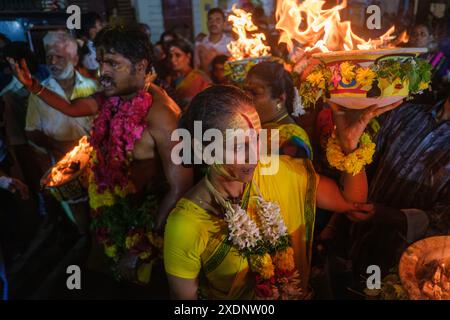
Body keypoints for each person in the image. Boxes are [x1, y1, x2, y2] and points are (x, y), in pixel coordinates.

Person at [164, 85, 401, 300]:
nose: (254, 155)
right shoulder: (185, 224)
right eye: (238, 146)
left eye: (256, 139)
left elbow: (353, 203)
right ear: (202, 148)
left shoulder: (278, 172)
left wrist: (350, 144)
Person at [8, 24, 193, 285]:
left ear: (140, 66)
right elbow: (71, 108)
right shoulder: (114, 97)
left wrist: (140, 246)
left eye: (113, 64)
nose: (102, 73)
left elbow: (180, 187)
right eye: (101, 62)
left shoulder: (162, 114)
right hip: (112, 219)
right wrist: (32, 86)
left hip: (146, 235)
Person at [346, 88, 450, 278]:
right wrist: (334, 225)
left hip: (397, 266)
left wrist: (383, 214)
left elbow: (441, 222)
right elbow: (361, 165)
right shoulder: (405, 113)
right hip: (351, 234)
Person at [25, 31, 99, 163]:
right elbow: (31, 131)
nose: (53, 62)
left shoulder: (94, 87)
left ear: (75, 60)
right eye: (49, 57)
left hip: (95, 159)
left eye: (59, 57)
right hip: (60, 162)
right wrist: (58, 145)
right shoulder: (38, 92)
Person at [245, 61, 312, 159]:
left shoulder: (290, 138)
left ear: (280, 99)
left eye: (255, 93)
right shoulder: (258, 128)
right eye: (245, 91)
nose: (247, 97)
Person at [168, 39, 211, 110]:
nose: (172, 59)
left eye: (178, 55)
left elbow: (204, 107)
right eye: (170, 56)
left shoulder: (199, 78)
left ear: (188, 56)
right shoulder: (169, 79)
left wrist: (197, 121)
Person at [194, 8, 232, 74]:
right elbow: (197, 70)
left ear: (224, 23)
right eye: (210, 20)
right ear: (207, 23)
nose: (213, 23)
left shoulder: (231, 44)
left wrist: (218, 54)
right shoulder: (201, 45)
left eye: (218, 20)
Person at [77, 12, 104, 77]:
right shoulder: (87, 52)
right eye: (100, 25)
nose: (102, 27)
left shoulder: (100, 44)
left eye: (101, 25)